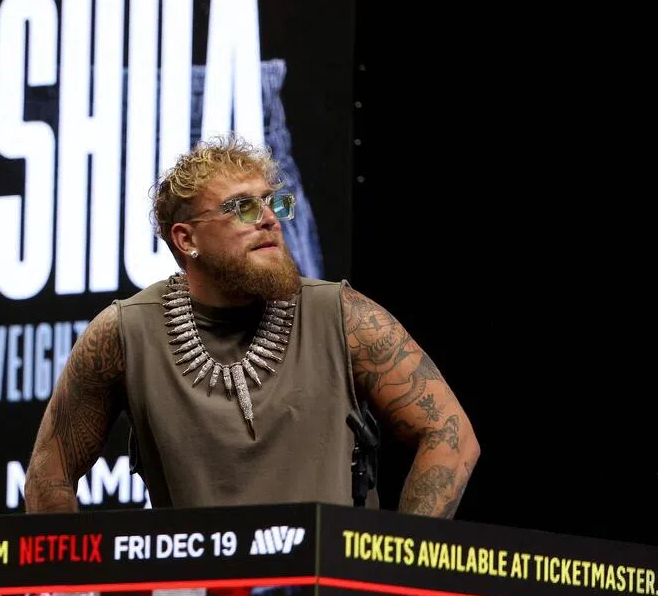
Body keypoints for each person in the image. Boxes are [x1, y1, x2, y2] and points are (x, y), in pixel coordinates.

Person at [23, 134, 479, 518]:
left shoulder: (341, 314)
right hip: (194, 591)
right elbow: (49, 473)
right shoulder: (125, 332)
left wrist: (396, 565)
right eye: (241, 207)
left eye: (272, 202)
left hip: (325, 587)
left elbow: (451, 435)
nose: (268, 219)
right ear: (186, 238)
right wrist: (69, 588)